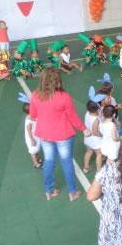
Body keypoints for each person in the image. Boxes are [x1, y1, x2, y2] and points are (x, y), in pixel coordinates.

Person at [28, 68, 89, 201]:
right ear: (58, 81)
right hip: (63, 135)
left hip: (45, 134)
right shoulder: (64, 96)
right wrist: (83, 128)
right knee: (66, 162)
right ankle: (72, 192)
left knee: (49, 162)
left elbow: (33, 115)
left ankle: (49, 190)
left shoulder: (35, 95)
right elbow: (72, 116)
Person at [83, 101, 103, 173]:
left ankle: (86, 167)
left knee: (89, 152)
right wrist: (102, 135)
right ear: (97, 109)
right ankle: (99, 171)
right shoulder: (96, 119)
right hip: (95, 141)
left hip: (88, 138)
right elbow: (95, 132)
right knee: (99, 154)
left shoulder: (87, 113)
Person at [23, 102, 42, 169]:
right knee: (33, 150)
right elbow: (28, 131)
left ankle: (38, 158)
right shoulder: (29, 122)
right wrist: (32, 140)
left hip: (35, 136)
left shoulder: (31, 116)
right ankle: (36, 163)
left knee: (36, 148)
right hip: (31, 138)